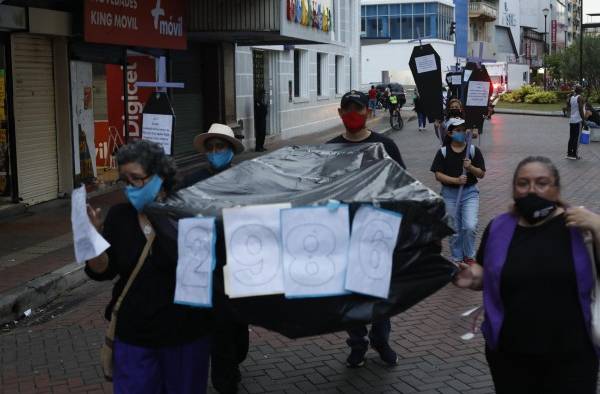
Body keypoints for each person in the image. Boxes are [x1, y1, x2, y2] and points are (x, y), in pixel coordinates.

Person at [454, 156, 600, 394]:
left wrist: (598, 226)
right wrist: (472, 277)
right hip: (510, 356)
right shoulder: (498, 227)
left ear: (556, 188)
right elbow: (484, 271)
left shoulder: (579, 225)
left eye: (542, 183)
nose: (532, 189)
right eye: (523, 183)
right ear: (514, 189)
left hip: (572, 355)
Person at [85, 140, 212, 394]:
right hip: (134, 337)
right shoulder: (119, 217)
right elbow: (103, 270)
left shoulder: (187, 213)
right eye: (124, 180)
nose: (130, 188)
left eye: (137, 179)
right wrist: (91, 240)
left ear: (159, 176)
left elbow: (207, 271)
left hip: (185, 336)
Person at [328, 90, 405, 368]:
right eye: (347, 109)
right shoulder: (330, 149)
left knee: (379, 294)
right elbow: (321, 192)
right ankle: (358, 343)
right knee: (350, 296)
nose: (352, 114)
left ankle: (381, 341)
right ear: (339, 113)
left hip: (378, 232)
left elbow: (402, 186)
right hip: (344, 235)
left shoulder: (385, 146)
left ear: (368, 112)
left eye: (358, 109)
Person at [190, 124, 248, 394]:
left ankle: (233, 362)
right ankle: (225, 381)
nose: (214, 152)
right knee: (219, 329)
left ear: (231, 150)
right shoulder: (192, 180)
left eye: (220, 147)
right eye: (211, 148)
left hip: (239, 265)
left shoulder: (245, 180)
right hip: (206, 265)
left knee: (238, 330)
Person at [430, 117, 485, 265]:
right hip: (449, 194)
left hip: (470, 193)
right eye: (458, 130)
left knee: (469, 226)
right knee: (454, 228)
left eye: (463, 129)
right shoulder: (443, 152)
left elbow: (481, 173)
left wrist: (470, 168)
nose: (462, 133)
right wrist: (455, 181)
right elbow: (437, 174)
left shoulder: (472, 151)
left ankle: (469, 256)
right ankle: (457, 258)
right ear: (449, 133)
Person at [566, 85, 588, 160]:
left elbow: (568, 106)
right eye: (581, 88)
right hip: (578, 120)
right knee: (576, 138)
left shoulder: (572, 97)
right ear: (580, 90)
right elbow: (580, 109)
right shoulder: (580, 97)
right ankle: (574, 154)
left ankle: (569, 153)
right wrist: (584, 120)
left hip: (572, 120)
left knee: (571, 137)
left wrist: (568, 97)